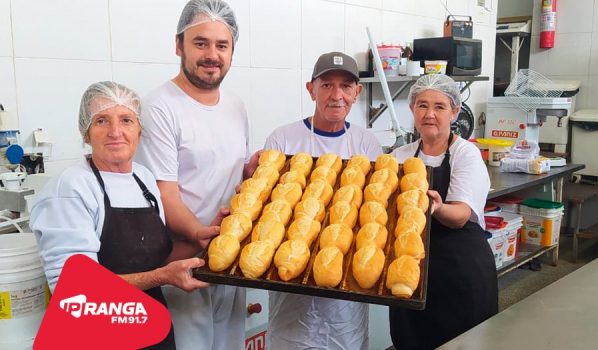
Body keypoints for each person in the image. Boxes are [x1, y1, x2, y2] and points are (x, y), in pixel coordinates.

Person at [30, 81, 213, 350]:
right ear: (86, 132)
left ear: (139, 130)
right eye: (102, 120)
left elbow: (156, 259)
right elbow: (73, 290)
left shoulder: (144, 178)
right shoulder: (71, 188)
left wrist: (203, 240)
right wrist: (163, 276)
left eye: (126, 120)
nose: (115, 132)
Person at [134, 1, 259, 349]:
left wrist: (252, 172)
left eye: (222, 45)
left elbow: (226, 171)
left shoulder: (235, 106)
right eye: (200, 43)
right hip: (184, 260)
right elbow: (164, 194)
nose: (212, 55)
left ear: (233, 51)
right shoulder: (160, 106)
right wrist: (205, 238)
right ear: (179, 45)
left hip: (228, 256)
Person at [264, 51, 382, 350]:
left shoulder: (366, 144)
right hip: (292, 282)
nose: (336, 95)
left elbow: (375, 213)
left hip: (345, 287)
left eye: (345, 86)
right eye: (327, 85)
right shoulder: (283, 139)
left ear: (357, 92)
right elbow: (269, 209)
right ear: (310, 89)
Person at [389, 74, 498, 349]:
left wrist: (436, 208)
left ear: (455, 112)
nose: (430, 114)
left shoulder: (466, 154)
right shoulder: (399, 157)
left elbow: (461, 215)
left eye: (439, 106)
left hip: (459, 271)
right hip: (411, 271)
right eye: (422, 105)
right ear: (412, 109)